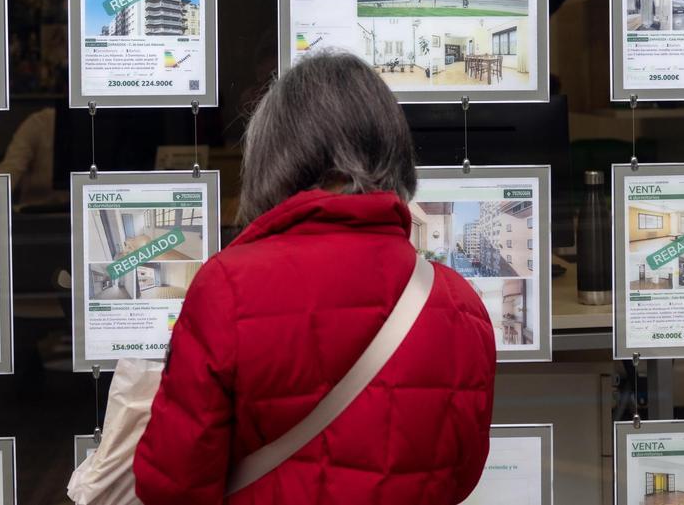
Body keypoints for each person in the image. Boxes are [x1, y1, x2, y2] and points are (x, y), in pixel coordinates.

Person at [134, 52, 497, 504]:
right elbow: (460, 475)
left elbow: (172, 484)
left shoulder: (227, 288)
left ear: (273, 157)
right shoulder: (458, 303)